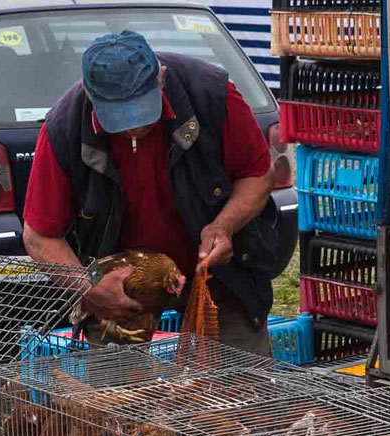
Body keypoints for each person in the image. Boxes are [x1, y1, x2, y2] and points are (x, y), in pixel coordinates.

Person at [22, 30, 278, 355]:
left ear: (162, 79)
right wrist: (89, 288)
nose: (133, 129)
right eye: (119, 119)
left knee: (242, 386)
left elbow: (258, 174)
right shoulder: (64, 126)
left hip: (218, 272)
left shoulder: (211, 95)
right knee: (115, 395)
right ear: (91, 97)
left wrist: (223, 226)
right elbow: (39, 236)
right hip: (121, 282)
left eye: (142, 114)